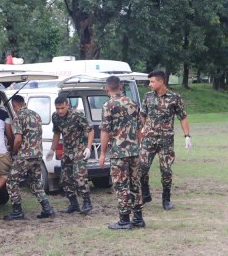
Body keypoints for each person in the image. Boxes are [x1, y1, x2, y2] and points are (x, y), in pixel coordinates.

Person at [139, 69, 192, 210]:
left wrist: (187, 136)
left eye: (152, 81)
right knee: (142, 168)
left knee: (166, 171)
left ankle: (166, 199)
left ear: (161, 81)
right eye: (149, 81)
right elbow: (142, 116)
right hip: (148, 139)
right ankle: (145, 194)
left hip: (166, 141)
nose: (149, 84)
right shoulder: (147, 97)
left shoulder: (175, 97)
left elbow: (182, 117)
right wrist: (138, 134)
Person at [98, 76, 145, 230]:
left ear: (107, 88)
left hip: (118, 152)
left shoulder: (108, 105)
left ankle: (124, 220)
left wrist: (102, 153)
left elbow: (105, 131)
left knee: (120, 185)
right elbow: (139, 129)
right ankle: (138, 219)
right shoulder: (133, 103)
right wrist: (137, 147)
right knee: (134, 183)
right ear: (120, 86)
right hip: (133, 151)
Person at [3, 95, 55, 221]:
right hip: (37, 155)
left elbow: (18, 139)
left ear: (14, 106)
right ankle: (47, 209)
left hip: (25, 155)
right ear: (24, 102)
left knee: (11, 181)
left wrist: (14, 152)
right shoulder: (36, 115)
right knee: (34, 183)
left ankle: (17, 211)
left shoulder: (18, 116)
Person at [47, 96, 94, 215]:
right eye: (58, 108)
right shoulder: (55, 117)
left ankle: (87, 202)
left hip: (79, 149)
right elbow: (57, 133)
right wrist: (52, 149)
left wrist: (88, 147)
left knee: (79, 175)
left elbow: (90, 130)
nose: (60, 111)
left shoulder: (77, 115)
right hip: (67, 150)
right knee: (65, 178)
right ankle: (74, 204)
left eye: (62, 108)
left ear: (67, 106)